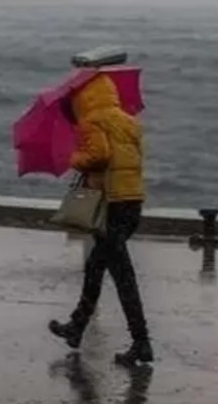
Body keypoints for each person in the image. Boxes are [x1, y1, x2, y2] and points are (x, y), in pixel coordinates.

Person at [49, 73, 153, 366]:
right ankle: (77, 327)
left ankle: (141, 342)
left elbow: (100, 155)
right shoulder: (128, 121)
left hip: (111, 205)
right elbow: (133, 157)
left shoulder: (93, 121)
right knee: (98, 268)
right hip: (132, 201)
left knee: (122, 277)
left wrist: (75, 158)